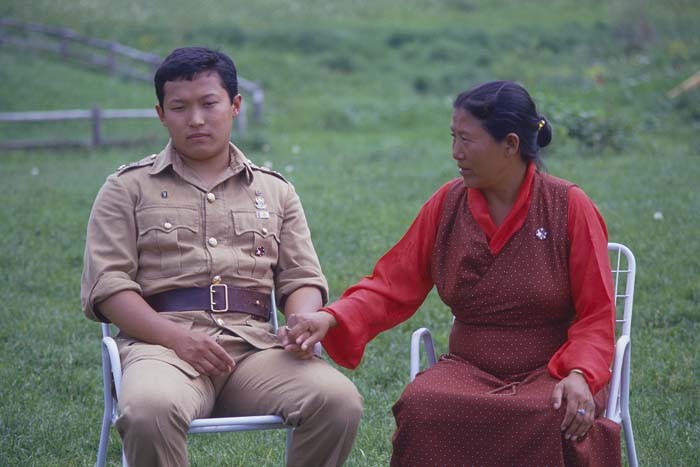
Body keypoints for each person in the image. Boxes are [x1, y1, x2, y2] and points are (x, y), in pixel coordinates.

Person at [283, 81, 622, 466]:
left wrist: (580, 372)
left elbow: (597, 313)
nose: (456, 153)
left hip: (551, 367)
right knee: (422, 405)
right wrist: (330, 317)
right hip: (470, 366)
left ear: (510, 145)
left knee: (550, 411)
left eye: (467, 140)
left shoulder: (568, 206)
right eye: (453, 138)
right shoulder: (448, 203)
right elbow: (391, 285)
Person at [81, 46, 362, 467]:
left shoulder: (274, 191)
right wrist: (178, 339)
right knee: (148, 410)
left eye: (209, 104)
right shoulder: (127, 189)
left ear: (234, 106)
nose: (195, 119)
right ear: (161, 113)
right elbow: (108, 289)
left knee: (338, 401)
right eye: (179, 107)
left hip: (255, 352)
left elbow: (301, 276)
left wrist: (301, 324)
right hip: (162, 349)